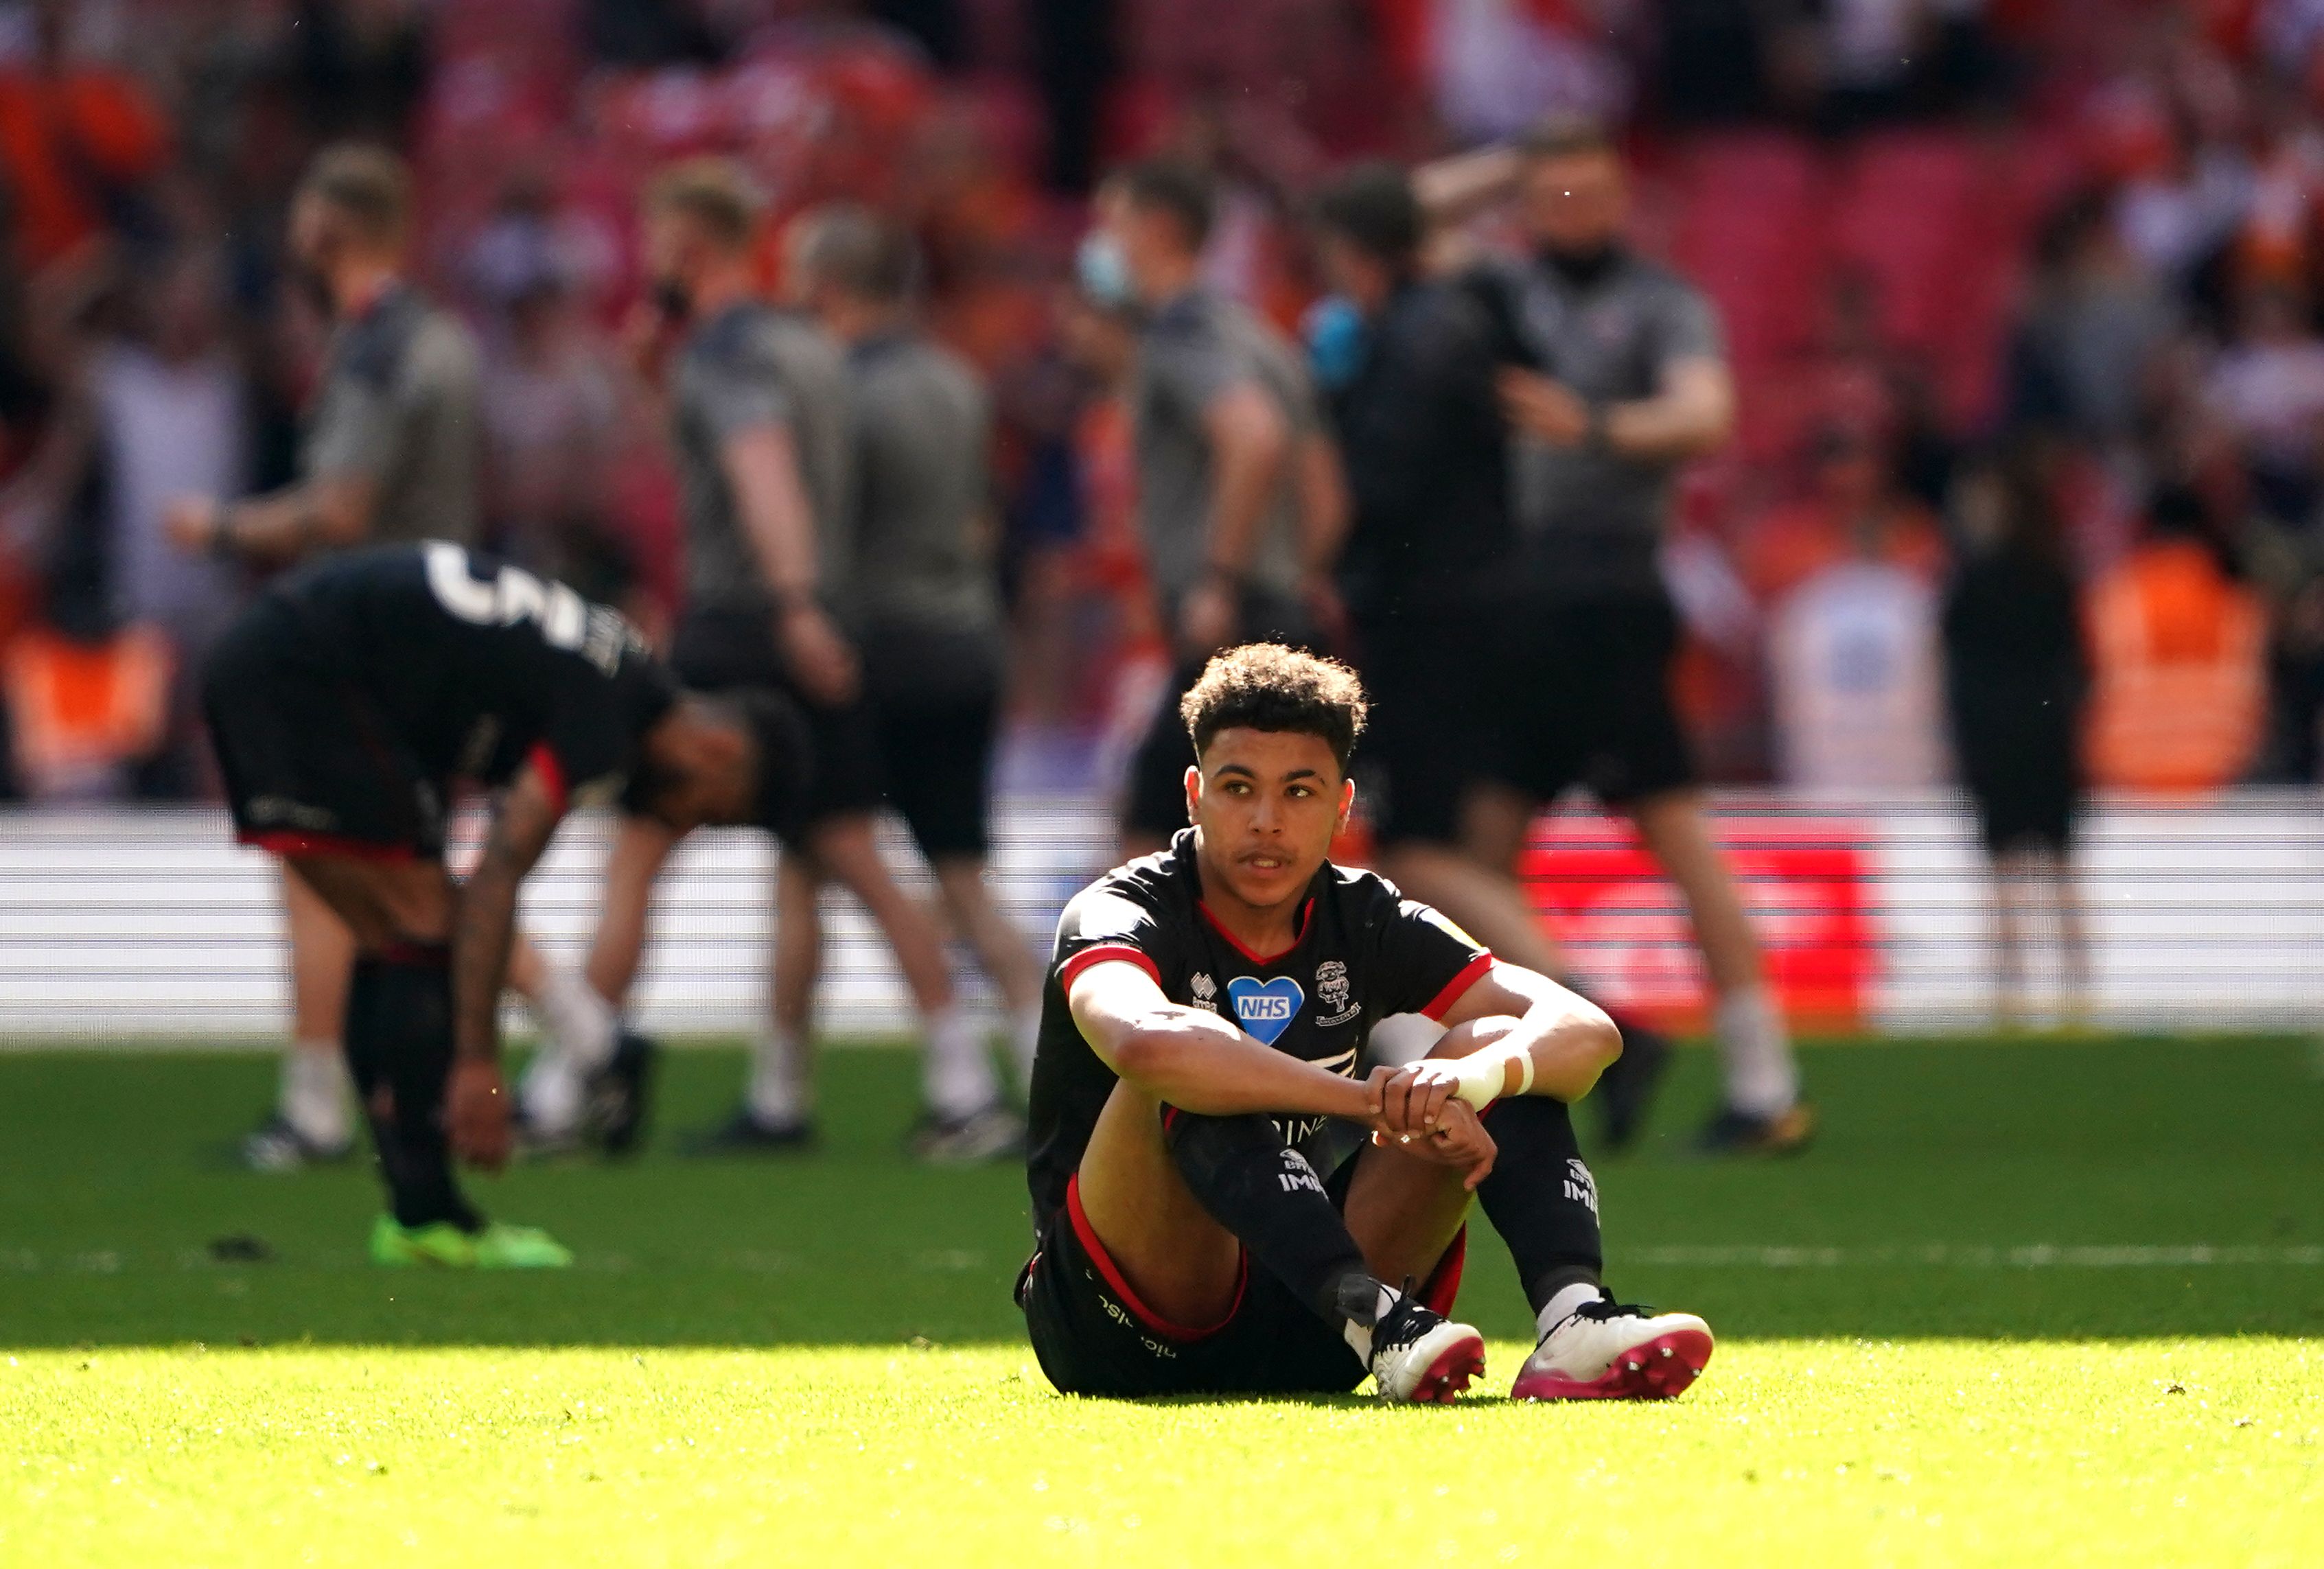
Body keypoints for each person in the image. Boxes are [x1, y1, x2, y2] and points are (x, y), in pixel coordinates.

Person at [1019, 643, 1712, 1401]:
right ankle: (1374, 1315)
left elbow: (1586, 1029)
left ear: (1342, 805)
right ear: (1194, 794)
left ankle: (1572, 1321)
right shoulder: (1120, 909)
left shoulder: (1367, 915)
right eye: (1238, 788)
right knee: (1190, 1061)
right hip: (1115, 1330)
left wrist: (1468, 1080)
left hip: (1305, 1323)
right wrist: (1371, 1101)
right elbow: (1146, 1042)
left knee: (1497, 1045)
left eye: (1299, 792)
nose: (1265, 821)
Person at [537, 159, 1010, 1159]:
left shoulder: (729, 350)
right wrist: (649, 373)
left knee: (637, 847)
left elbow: (757, 468)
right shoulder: (811, 348)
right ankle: (963, 1082)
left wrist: (791, 601)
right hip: (816, 620)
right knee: (858, 858)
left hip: (743, 622)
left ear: (687, 246)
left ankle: (566, 1080)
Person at [165, 145, 609, 1174]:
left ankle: (331, 1101)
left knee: (332, 860)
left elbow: (342, 508)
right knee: (375, 870)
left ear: (330, 227)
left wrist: (217, 528)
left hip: (364, 639)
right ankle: (578, 1031)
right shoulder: (440, 337)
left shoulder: (376, 345)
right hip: (432, 626)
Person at [200, 541, 800, 1266]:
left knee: (384, 931)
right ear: (718, 752)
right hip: (306, 672)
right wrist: (476, 1064)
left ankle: (417, 1211)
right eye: (709, 812)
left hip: (274, 656)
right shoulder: (606, 716)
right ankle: (429, 1216)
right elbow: (497, 874)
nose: (683, 824)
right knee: (421, 923)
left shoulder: (614, 671)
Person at [1428, 121, 1813, 1155]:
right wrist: (1507, 162)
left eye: (1591, 191)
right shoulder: (1496, 290)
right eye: (1552, 192)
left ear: (1622, 198)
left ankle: (1764, 1085)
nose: (1573, 210)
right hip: (1508, 604)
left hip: (1608, 595)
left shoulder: (1659, 302)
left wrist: (1588, 426)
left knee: (1676, 837)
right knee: (1474, 854)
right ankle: (1525, 1060)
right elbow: (1391, 218)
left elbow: (1705, 414)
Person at [1305, 161, 1674, 1148]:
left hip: (1428, 622)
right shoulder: (1468, 315)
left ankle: (1596, 1020)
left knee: (1417, 851)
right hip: (1477, 615)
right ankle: (1414, 1063)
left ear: (1355, 254)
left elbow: (1377, 487)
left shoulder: (1409, 342)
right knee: (1437, 857)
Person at [780, 203, 1047, 1100]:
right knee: (961, 870)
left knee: (817, 858)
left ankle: (897, 1077)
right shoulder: (957, 380)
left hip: (876, 646)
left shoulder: (836, 388)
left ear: (825, 286)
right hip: (965, 636)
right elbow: (984, 517)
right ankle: (1045, 1062)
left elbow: (821, 526)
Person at [1084, 157, 1346, 858]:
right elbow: (1324, 488)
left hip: (1228, 618)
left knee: (1149, 841)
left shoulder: (1182, 333)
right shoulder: (1261, 336)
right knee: (1249, 845)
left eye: (1113, 225)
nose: (1102, 246)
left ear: (1158, 229)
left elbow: (1253, 437)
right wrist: (1304, 574)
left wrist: (1220, 579)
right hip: (1281, 613)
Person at [1943, 451, 2090, 1026]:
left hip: (1996, 738)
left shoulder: (1972, 582)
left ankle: (2011, 1001)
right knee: (2058, 865)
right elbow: (2078, 664)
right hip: (2049, 734)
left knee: (2006, 869)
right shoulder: (2055, 574)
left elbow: (1952, 667)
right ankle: (2076, 998)